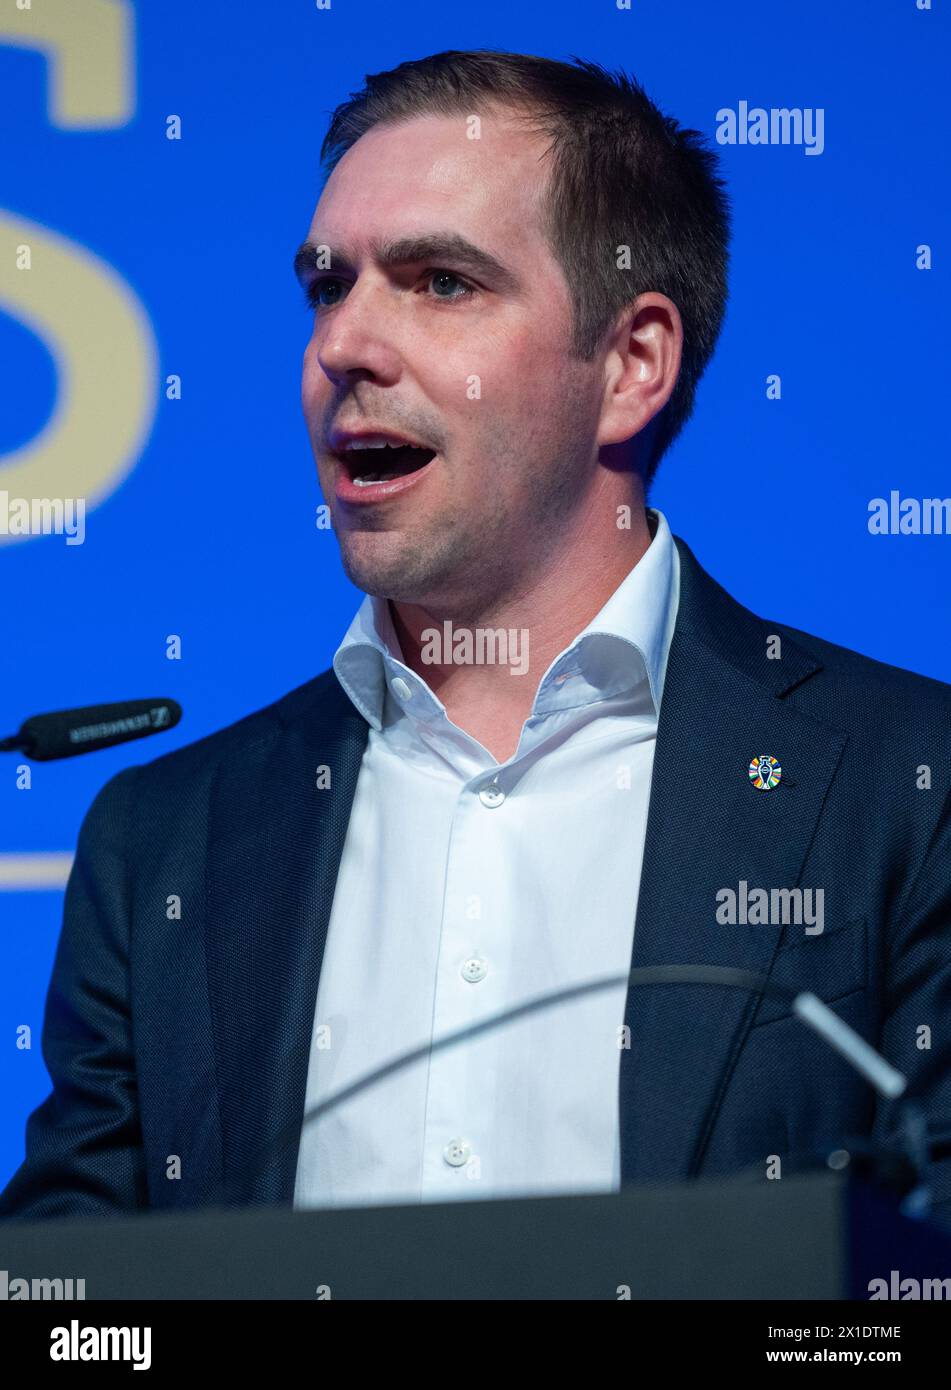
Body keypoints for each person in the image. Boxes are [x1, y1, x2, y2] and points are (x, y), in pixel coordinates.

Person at [2, 50, 949, 1224]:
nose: (343, 345)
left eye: (440, 282)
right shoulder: (162, 842)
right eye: (327, 285)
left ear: (631, 365)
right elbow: (76, 1301)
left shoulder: (911, 786)